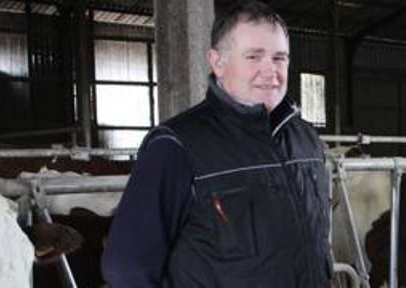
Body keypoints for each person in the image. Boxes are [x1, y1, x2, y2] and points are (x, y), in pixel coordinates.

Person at [101, 2, 332, 287]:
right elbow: (127, 267)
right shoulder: (176, 146)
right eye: (253, 57)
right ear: (217, 62)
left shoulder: (305, 138)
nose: (270, 70)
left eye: (279, 58)